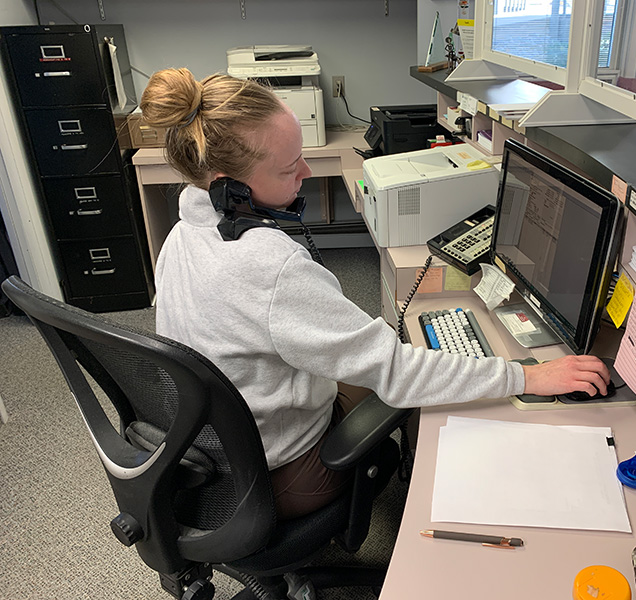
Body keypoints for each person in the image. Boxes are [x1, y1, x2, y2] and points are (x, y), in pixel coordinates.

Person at [140, 68, 610, 520]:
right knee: (407, 382)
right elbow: (397, 373)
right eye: (289, 168)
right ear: (231, 190)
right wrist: (529, 377)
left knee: (390, 345)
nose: (305, 170)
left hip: (211, 449)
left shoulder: (183, 234)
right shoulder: (268, 265)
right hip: (278, 475)